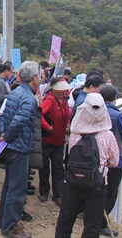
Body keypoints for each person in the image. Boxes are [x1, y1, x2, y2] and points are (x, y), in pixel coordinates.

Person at [55, 93, 119, 237]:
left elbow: (71, 154)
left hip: (72, 182)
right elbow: (114, 162)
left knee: (65, 220)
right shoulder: (108, 136)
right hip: (97, 184)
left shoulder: (75, 134)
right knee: (92, 224)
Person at [0, 60, 40, 238]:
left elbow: (3, 116)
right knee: (17, 188)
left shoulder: (14, 92)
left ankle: (3, 220)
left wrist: (3, 135)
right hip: (19, 146)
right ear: (34, 78)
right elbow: (18, 121)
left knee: (10, 185)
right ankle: (10, 226)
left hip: (11, 144)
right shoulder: (29, 98)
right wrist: (7, 136)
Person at [99, 83, 122, 237]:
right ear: (115, 98)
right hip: (115, 160)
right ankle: (101, 223)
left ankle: (94, 216)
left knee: (98, 189)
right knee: (110, 193)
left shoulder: (95, 111)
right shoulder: (118, 115)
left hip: (97, 158)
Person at [38, 77, 71, 207]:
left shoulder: (63, 101)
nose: (63, 92)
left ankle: (58, 194)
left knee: (58, 168)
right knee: (44, 168)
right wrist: (47, 126)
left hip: (59, 141)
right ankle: (44, 191)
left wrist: (67, 124)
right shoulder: (50, 99)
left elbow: (66, 116)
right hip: (48, 140)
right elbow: (39, 113)